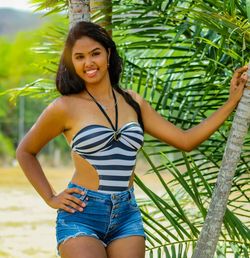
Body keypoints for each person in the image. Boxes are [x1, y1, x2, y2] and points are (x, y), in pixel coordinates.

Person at [16, 21, 248, 258]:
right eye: (79, 57)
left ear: (108, 54)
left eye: (95, 53)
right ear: (72, 63)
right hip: (82, 213)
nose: (88, 63)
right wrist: (51, 197)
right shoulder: (64, 107)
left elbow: (185, 141)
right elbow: (25, 151)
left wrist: (231, 103)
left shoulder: (133, 102)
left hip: (126, 214)